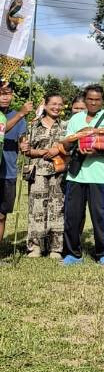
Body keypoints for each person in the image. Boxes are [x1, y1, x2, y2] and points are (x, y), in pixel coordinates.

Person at [60, 83, 104, 263]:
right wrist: (76, 138)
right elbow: (66, 144)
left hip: (100, 175)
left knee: (101, 217)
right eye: (90, 99)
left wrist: (96, 152)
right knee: (72, 216)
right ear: (84, 99)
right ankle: (72, 253)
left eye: (97, 100)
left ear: (103, 101)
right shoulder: (75, 119)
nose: (93, 103)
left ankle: (103, 253)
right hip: (76, 174)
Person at [19, 91, 67, 257]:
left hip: (59, 172)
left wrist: (57, 150)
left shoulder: (66, 126)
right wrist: (29, 150)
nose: (56, 107)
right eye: (53, 104)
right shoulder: (33, 125)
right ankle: (36, 247)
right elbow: (27, 150)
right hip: (38, 172)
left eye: (60, 104)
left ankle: (56, 248)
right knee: (37, 209)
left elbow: (70, 149)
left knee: (57, 208)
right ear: (45, 105)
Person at [0, 79, 32, 248]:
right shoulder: (19, 115)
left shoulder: (19, 118)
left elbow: (22, 141)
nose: (5, 97)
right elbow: (1, 130)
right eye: (1, 93)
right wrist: (21, 113)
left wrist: (24, 146)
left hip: (8, 173)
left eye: (8, 93)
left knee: (1, 215)